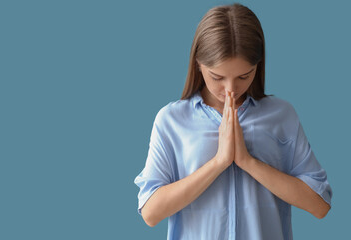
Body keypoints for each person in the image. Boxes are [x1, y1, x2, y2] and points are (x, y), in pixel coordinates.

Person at [134, 3, 332, 240]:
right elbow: (150, 212)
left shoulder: (282, 115)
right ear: (198, 64)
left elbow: (320, 205)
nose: (231, 89)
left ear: (257, 66)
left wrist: (248, 162)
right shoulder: (171, 120)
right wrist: (219, 162)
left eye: (243, 76)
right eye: (217, 77)